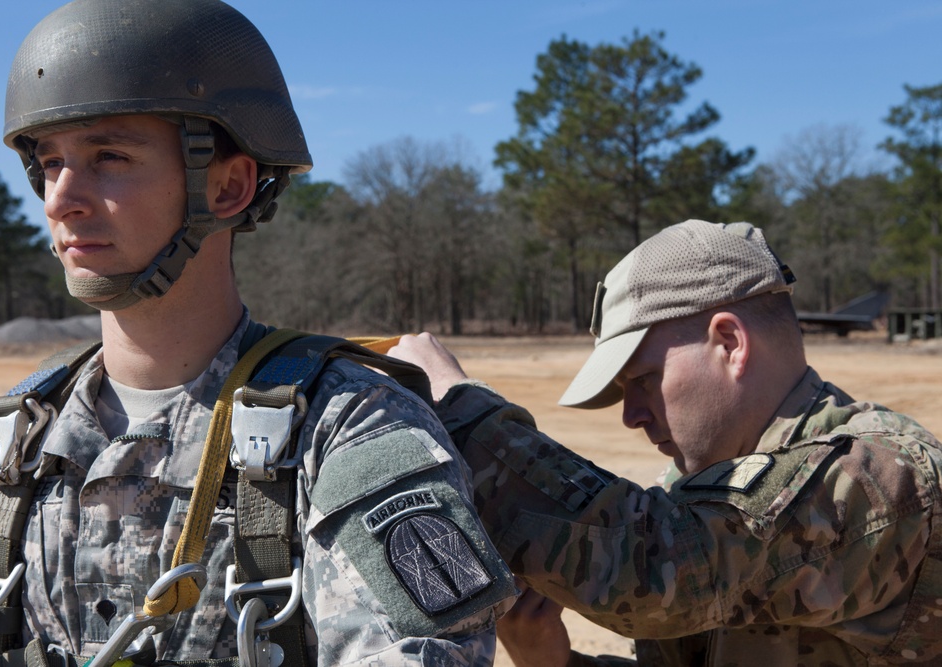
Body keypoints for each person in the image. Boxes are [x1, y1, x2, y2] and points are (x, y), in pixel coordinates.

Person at [0, 1, 516, 665]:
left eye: (110, 156)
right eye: (49, 162)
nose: (59, 198)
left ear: (229, 187)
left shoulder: (350, 429)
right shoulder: (7, 447)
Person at [388, 219, 942, 666]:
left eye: (644, 378)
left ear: (729, 341)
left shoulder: (881, 476)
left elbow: (659, 573)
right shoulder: (706, 490)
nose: (631, 415)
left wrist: (461, 407)